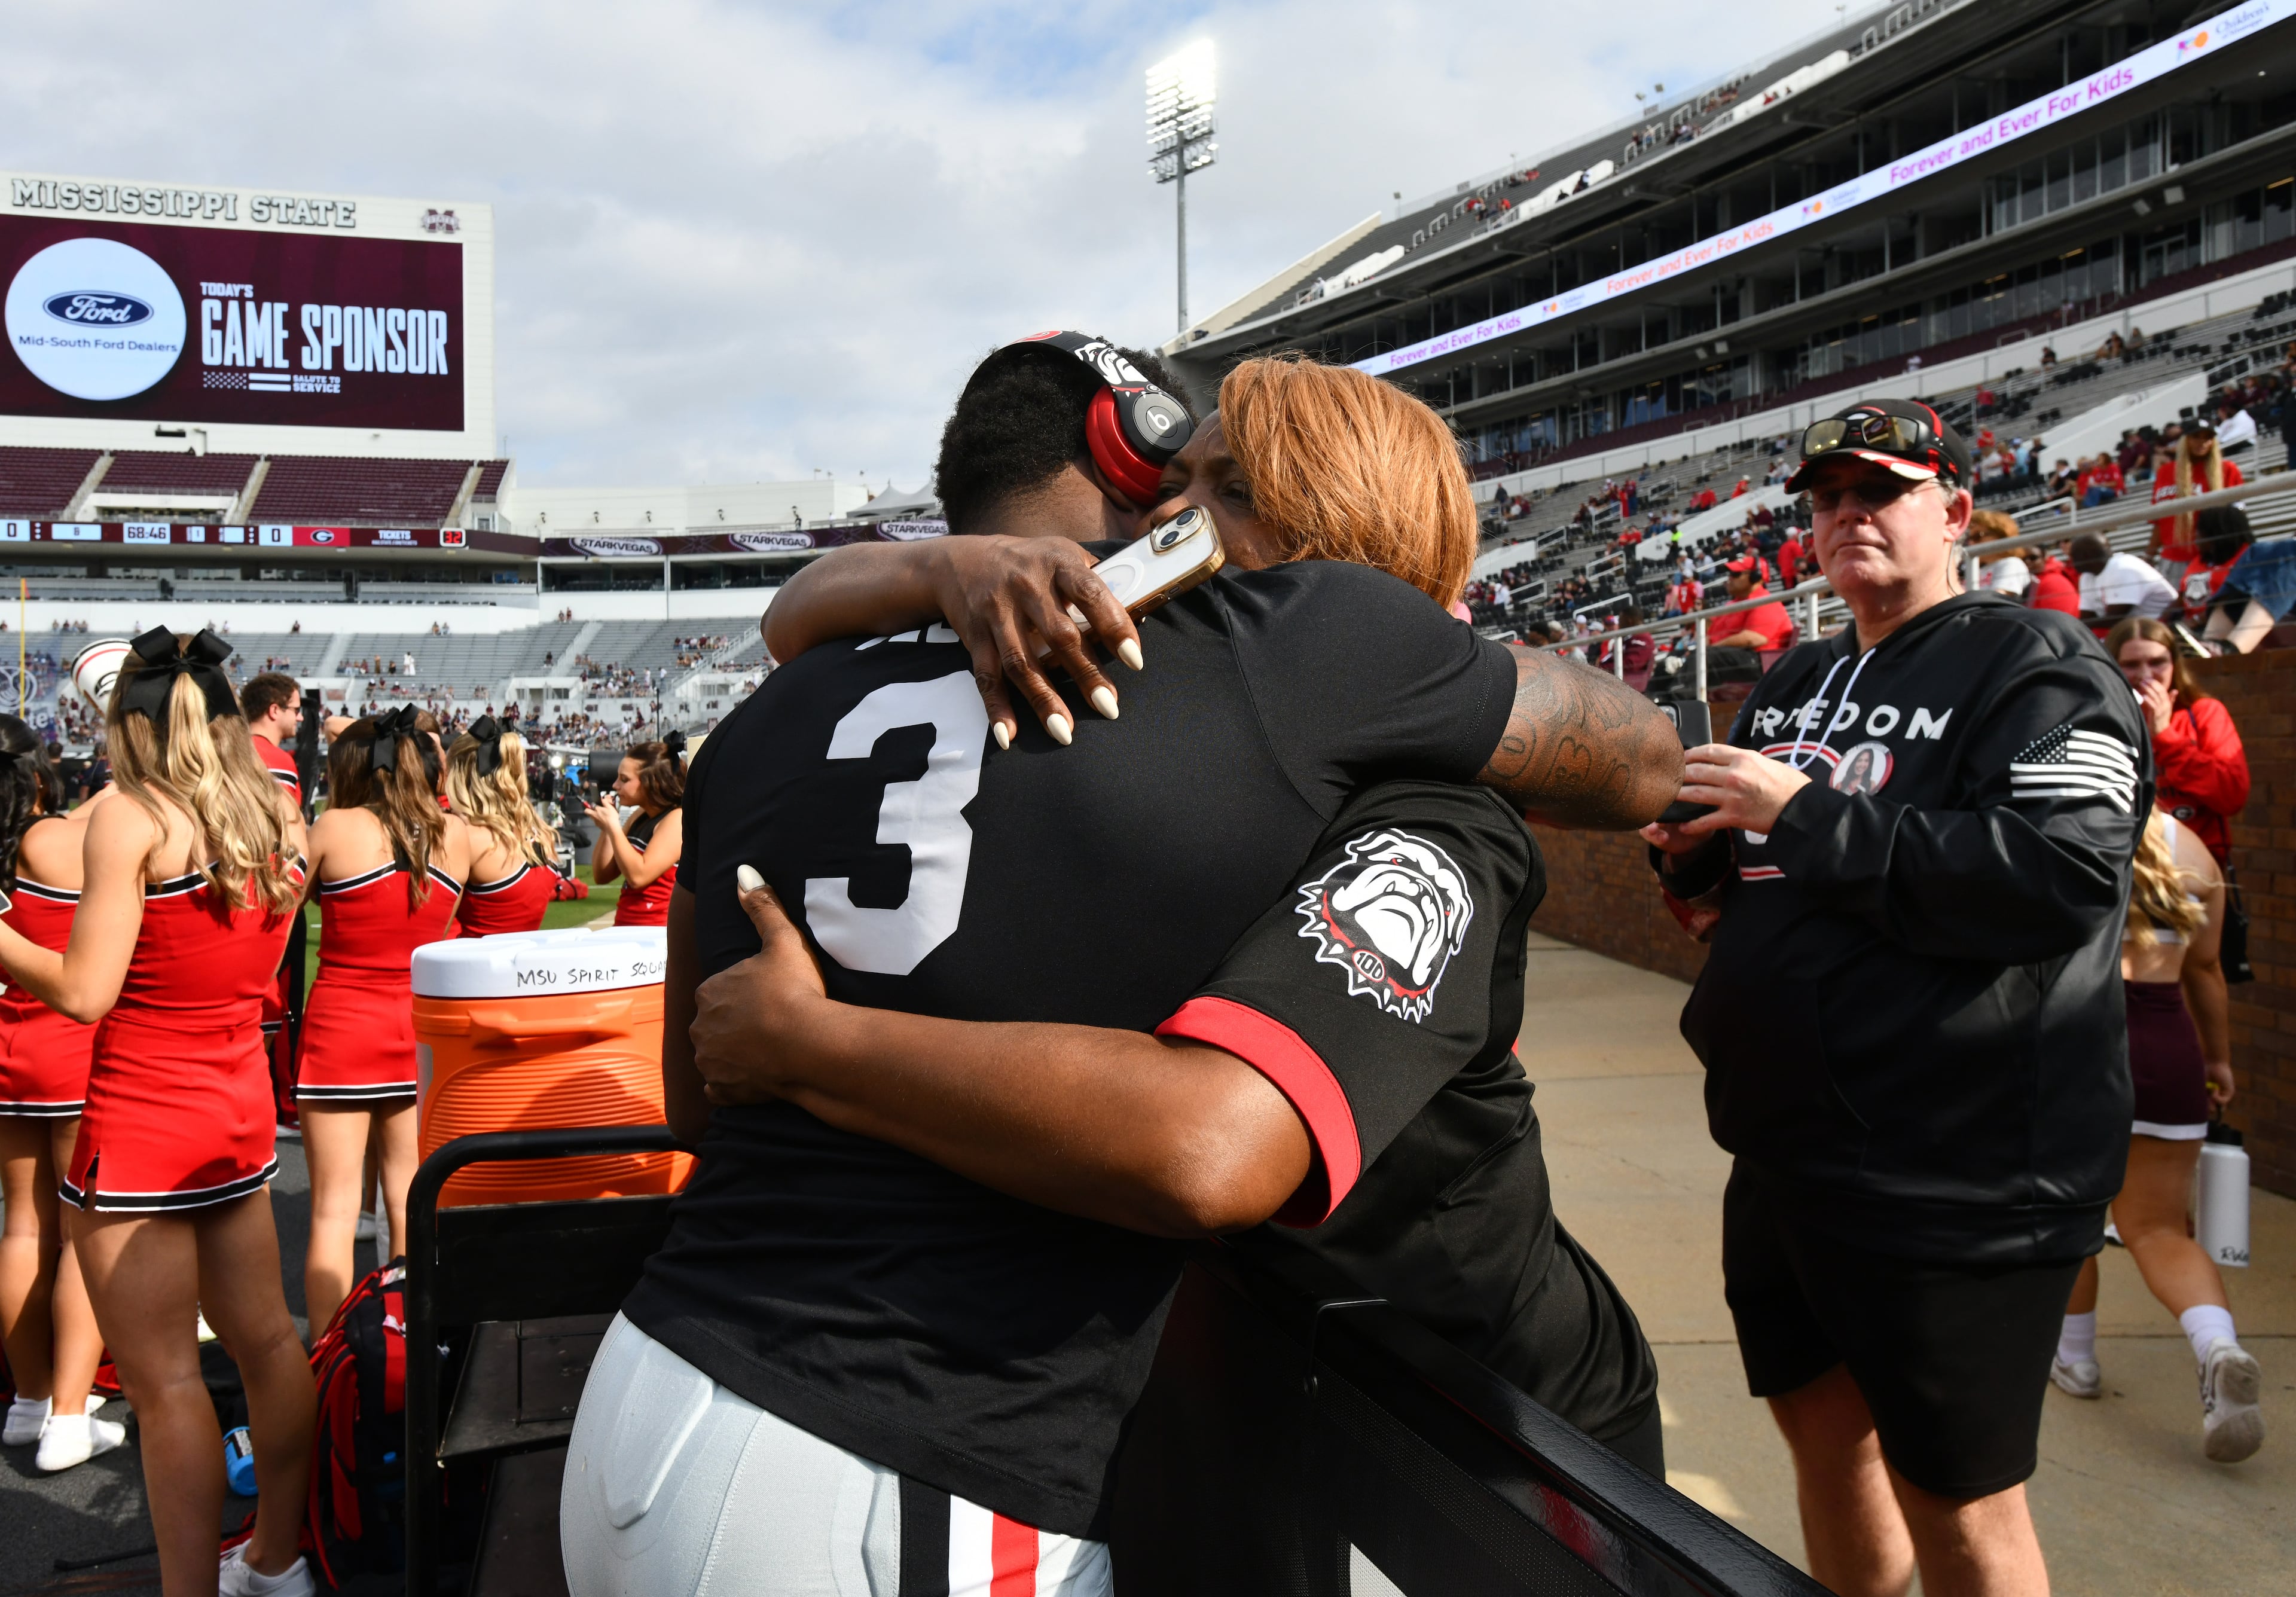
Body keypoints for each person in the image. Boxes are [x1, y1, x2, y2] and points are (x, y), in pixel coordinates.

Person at [564, 349, 1680, 1595]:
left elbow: (1202, 1145)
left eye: (1228, 487)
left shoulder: (1387, 754)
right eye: (1165, 482)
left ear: (1343, 527)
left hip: (1475, 1421)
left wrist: (818, 1045)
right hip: (926, 1449)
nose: (1170, 517)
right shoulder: (1174, 713)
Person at [1644, 400, 2145, 1597]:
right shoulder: (1801, 675)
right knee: (1826, 1439)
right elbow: (1753, 873)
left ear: (1955, 512)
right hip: (1786, 1149)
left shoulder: (2035, 661)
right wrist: (1696, 856)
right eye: (1827, 498)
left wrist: (1799, 814)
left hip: (1956, 1169)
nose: (1849, 514)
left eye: (1883, 489)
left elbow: (2059, 875)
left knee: (1961, 1503)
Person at [0, 630, 317, 1596]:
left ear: (126, 727)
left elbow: (88, 991)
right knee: (268, 1344)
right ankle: (277, 1559)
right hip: (235, 1111)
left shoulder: (129, 818)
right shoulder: (277, 813)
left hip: (140, 1117)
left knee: (169, 1381)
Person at [2050, 812, 2264, 1461]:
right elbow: (2206, 972)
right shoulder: (2192, 847)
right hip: (2169, 1047)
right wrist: (2218, 1061)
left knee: (2072, 1216)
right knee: (2162, 1229)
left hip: (2080, 1039)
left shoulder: (2059, 825)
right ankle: (2217, 1347)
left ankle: (2077, 1361)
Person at [296, 707, 470, 1332]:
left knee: (334, 1212)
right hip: (413, 1029)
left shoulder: (332, 826)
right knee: (407, 1196)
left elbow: (286, 901)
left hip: (342, 1027)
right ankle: (404, 1347)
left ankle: (330, 1357)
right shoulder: (459, 835)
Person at [0, 719, 108, 1472]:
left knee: (21, 1230)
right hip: (72, 1053)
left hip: (7, 1054)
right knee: (84, 1236)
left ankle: (27, 1400)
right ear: (36, 776)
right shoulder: (54, 841)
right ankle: (68, 1415)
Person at [2106, 618, 2248, 869]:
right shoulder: (2105, 722)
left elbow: (2232, 796)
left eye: (2157, 662)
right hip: (2125, 867)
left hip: (2197, 869)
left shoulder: (2204, 713)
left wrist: (2166, 738)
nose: (2146, 676)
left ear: (2174, 664)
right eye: (2131, 665)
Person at [242, 672, 307, 1129]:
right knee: (276, 1002)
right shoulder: (277, 761)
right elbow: (287, 838)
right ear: (274, 710)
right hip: (270, 895)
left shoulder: (225, 751)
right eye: (295, 708)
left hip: (228, 887)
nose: (300, 716)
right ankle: (281, 1101)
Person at [445, 716, 560, 936]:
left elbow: (433, 928)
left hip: (471, 966)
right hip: (522, 966)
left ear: (460, 776)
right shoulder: (543, 833)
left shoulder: (469, 838)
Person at [584, 737, 683, 927]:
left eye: (624, 780)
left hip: (656, 932)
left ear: (651, 782)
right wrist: (607, 829)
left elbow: (639, 876)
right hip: (627, 925)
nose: (615, 786)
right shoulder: (640, 815)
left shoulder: (677, 819)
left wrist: (613, 826)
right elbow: (603, 875)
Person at [2151, 419, 2243, 563]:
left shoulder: (2227, 470)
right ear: (2184, 441)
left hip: (2214, 557)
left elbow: (2237, 518)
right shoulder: (2165, 472)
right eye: (2196, 437)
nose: (2202, 442)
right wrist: (2149, 555)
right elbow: (2159, 521)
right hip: (2173, 558)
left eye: (2208, 438)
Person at [2069, 531, 2176, 625]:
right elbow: (2087, 616)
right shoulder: (2087, 576)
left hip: (2167, 623)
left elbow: (2115, 619)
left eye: (2073, 557)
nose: (2071, 562)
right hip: (2137, 627)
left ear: (2086, 556)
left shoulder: (2123, 567)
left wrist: (2077, 625)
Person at [1710, 558, 1793, 651]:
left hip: (1755, 659)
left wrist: (1710, 650)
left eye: (1736, 574)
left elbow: (1754, 639)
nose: (1730, 578)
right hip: (1730, 656)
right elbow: (1710, 634)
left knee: (1701, 658)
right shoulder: (1733, 604)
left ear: (1755, 577)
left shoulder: (1766, 602)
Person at [1968, 509, 2032, 601]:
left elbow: (1996, 599)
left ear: (2001, 536)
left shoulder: (2012, 564)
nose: (1971, 543)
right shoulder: (1977, 570)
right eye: (1970, 539)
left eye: (1977, 537)